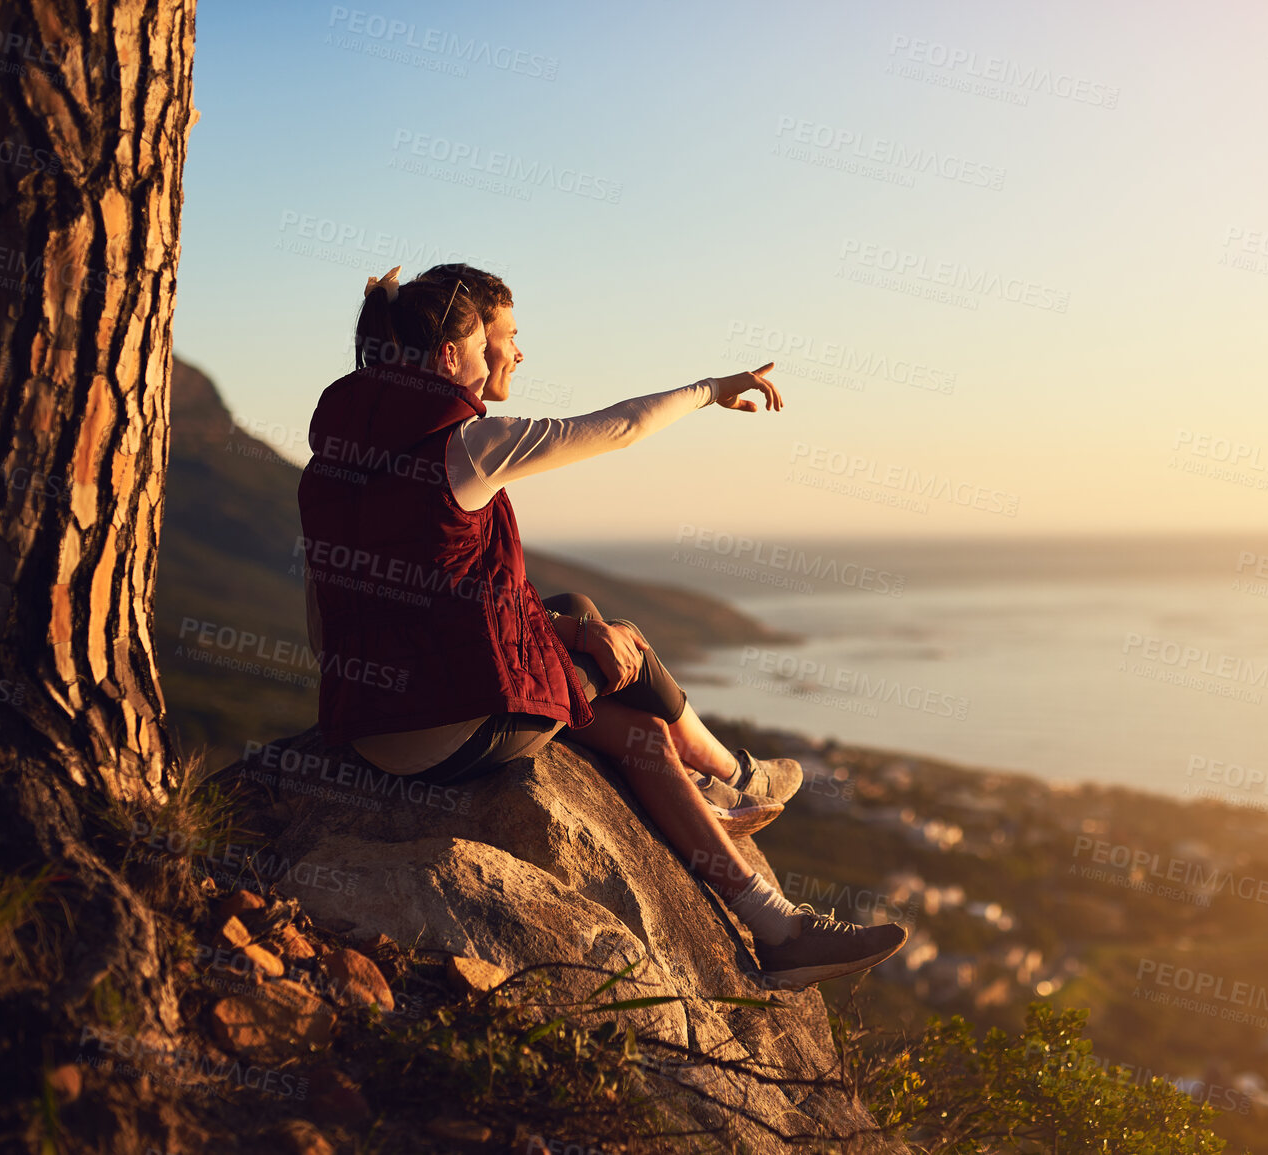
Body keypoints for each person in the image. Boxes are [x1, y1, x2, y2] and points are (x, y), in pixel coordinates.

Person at [294, 263, 907, 988]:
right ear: (450, 356)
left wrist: (565, 633)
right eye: (506, 338)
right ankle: (740, 792)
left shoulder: (333, 464)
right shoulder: (463, 444)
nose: (516, 353)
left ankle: (769, 897)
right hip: (445, 732)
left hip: (372, 722)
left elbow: (389, 605)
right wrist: (713, 389)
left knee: (580, 614)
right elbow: (618, 429)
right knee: (632, 679)